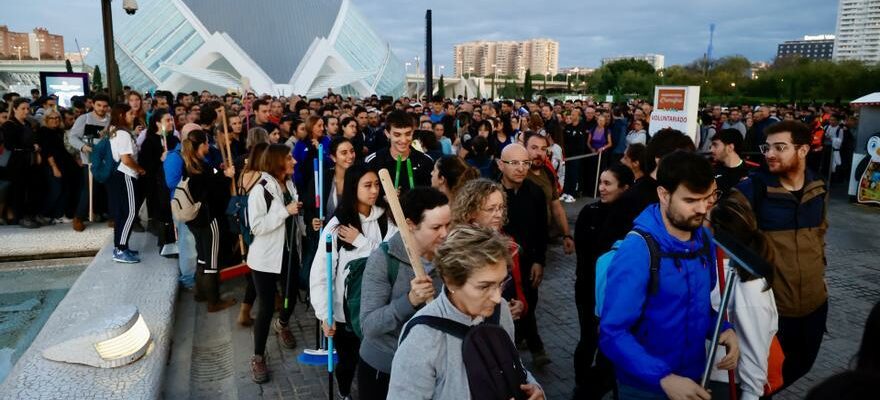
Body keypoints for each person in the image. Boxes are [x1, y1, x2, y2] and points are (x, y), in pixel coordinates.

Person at [600, 150, 739, 400]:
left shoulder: (704, 239)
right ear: (664, 194)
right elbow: (613, 333)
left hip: (693, 378)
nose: (703, 209)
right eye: (691, 200)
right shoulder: (638, 250)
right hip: (644, 388)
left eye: (709, 197)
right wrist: (663, 377)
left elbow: (699, 307)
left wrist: (722, 329)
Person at [387, 225, 545, 400]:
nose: (497, 297)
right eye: (484, 286)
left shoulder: (501, 310)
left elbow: (512, 363)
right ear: (451, 281)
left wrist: (534, 389)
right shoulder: (422, 338)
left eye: (501, 282)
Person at [730, 120, 829, 392]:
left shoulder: (818, 186)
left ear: (803, 150)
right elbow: (722, 237)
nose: (770, 154)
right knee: (764, 378)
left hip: (814, 304)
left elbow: (821, 231)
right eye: (767, 147)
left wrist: (820, 272)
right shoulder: (752, 190)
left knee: (801, 366)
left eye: (780, 147)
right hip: (773, 310)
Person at [310, 164, 398, 400]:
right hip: (345, 311)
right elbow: (321, 273)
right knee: (347, 362)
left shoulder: (386, 220)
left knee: (374, 361)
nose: (374, 191)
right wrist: (324, 314)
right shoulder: (336, 227)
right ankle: (345, 392)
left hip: (379, 307)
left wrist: (361, 242)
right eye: (367, 185)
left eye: (376, 185)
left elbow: (392, 256)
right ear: (353, 188)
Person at [358, 187, 451, 400]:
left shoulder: (450, 254)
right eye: (436, 227)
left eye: (448, 224)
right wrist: (410, 300)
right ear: (410, 224)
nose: (445, 234)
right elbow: (369, 325)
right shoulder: (383, 259)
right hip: (385, 368)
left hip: (433, 368)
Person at [707, 196, 779, 400]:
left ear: (718, 232)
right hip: (707, 376)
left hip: (728, 385)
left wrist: (750, 394)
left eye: (705, 222)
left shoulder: (748, 284)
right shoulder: (712, 265)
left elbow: (755, 349)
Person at [572, 163, 634, 400]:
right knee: (588, 341)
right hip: (588, 290)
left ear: (625, 188)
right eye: (600, 182)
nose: (602, 188)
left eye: (608, 183)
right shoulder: (589, 212)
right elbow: (584, 255)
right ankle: (581, 386)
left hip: (616, 297)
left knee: (609, 351)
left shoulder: (630, 219)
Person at [246, 144, 302, 382]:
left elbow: (294, 216)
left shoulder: (288, 184)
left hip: (290, 252)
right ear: (278, 162)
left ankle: (283, 323)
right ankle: (258, 357)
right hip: (265, 259)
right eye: (289, 158)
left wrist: (305, 225)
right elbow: (256, 226)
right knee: (266, 307)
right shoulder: (260, 190)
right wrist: (284, 212)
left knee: (291, 297)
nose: (294, 162)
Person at [496, 143, 550, 367]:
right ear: (500, 164)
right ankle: (530, 346)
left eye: (525, 163)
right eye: (514, 163)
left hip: (528, 262)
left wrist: (539, 260)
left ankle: (525, 340)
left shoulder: (535, 191)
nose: (521, 168)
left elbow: (541, 229)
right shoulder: (491, 192)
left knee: (528, 302)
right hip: (497, 264)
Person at [451, 178, 527, 320]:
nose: (498, 214)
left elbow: (516, 283)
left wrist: (521, 304)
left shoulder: (509, 244)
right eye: (491, 209)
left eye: (501, 207)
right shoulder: (457, 247)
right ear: (471, 211)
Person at [181, 129, 237, 312]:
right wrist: (226, 178)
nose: (208, 146)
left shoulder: (191, 164)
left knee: (203, 258)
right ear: (202, 145)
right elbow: (212, 192)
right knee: (212, 261)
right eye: (206, 143)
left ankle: (200, 293)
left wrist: (220, 175)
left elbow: (209, 183)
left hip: (196, 220)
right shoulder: (200, 167)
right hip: (208, 219)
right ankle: (214, 301)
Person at [106, 104, 146, 263]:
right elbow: (126, 159)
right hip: (126, 175)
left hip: (122, 175)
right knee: (130, 212)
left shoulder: (116, 131)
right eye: (130, 113)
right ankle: (121, 249)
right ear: (122, 115)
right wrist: (140, 169)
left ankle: (121, 246)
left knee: (123, 213)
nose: (133, 116)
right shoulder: (122, 134)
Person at [523, 132, 575, 254]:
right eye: (534, 148)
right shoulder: (519, 173)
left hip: (542, 238)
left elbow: (556, 206)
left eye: (543, 149)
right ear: (525, 148)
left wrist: (567, 235)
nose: (539, 153)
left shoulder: (548, 173)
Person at [68, 93, 111, 231]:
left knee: (109, 189)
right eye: (99, 105)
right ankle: (79, 217)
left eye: (105, 106)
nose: (102, 108)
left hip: (107, 161)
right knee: (89, 190)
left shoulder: (111, 120)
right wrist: (83, 146)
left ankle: (112, 216)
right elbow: (73, 137)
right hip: (90, 161)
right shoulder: (84, 118)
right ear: (93, 104)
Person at [365, 110, 433, 192]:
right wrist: (384, 199)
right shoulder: (374, 161)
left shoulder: (425, 161)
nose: (403, 140)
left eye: (408, 134)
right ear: (387, 133)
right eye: (397, 135)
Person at [1, 97, 42, 228]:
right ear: (14, 109)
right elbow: (10, 146)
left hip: (29, 161)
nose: (26, 111)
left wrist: (35, 147)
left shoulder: (27, 124)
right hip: (15, 164)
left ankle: (30, 215)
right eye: (23, 109)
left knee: (31, 189)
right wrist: (31, 148)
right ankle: (20, 217)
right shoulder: (9, 125)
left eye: (28, 109)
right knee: (18, 191)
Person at [36, 109, 78, 223]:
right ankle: (43, 213)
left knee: (64, 190)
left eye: (57, 118)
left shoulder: (59, 131)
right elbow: (47, 151)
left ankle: (58, 214)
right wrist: (54, 167)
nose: (55, 120)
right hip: (52, 165)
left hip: (64, 163)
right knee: (56, 190)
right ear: (46, 119)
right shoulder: (43, 131)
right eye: (52, 118)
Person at [709, 128, 758, 194]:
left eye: (715, 145)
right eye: (711, 146)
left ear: (730, 147)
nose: (711, 150)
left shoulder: (752, 171)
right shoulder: (711, 170)